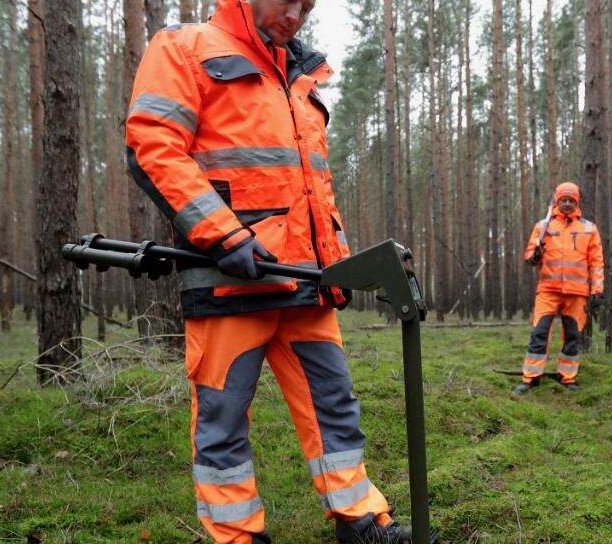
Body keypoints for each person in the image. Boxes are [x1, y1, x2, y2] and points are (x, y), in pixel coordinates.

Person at [125, 1, 411, 542]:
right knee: (223, 419)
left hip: (307, 281)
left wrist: (338, 266)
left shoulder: (299, 73)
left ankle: (361, 520)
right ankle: (238, 536)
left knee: (335, 408)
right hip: (228, 279)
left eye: (309, 4)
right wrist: (223, 233)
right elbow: (154, 146)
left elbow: (313, 187)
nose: (298, 13)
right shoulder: (185, 48)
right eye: (290, 0)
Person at [515, 182, 605, 396]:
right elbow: (529, 255)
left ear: (576, 202)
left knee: (572, 336)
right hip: (548, 290)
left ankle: (568, 377)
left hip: (577, 292)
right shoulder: (544, 226)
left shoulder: (589, 228)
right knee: (539, 333)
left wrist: (597, 289)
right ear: (556, 202)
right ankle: (531, 377)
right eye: (563, 200)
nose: (566, 204)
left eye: (570, 200)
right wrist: (535, 255)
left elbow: (597, 262)